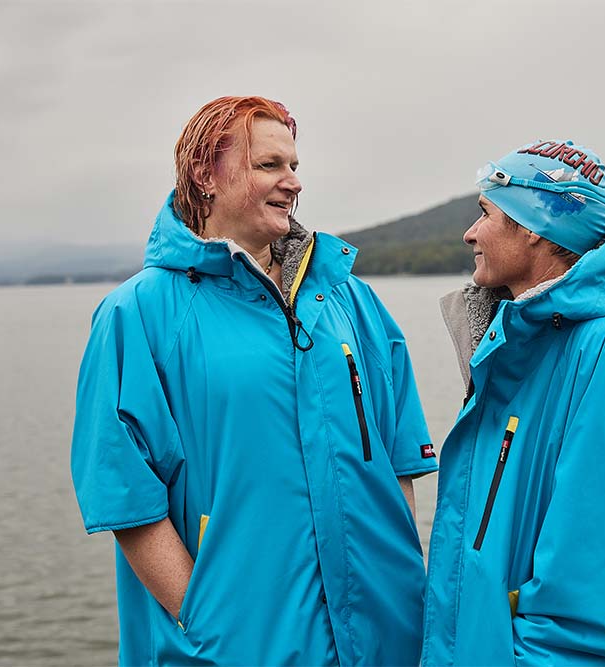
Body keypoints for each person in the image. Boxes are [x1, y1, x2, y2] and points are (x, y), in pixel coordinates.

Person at [70, 96, 438, 666]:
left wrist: (402, 591)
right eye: (270, 165)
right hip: (238, 647)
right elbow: (125, 497)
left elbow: (397, 465)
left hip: (386, 640)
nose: (293, 183)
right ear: (205, 175)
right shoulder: (138, 315)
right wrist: (208, 623)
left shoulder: (353, 301)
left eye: (294, 166)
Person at [421, 140, 605, 665]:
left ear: (533, 226)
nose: (469, 233)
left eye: (485, 213)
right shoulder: (521, 343)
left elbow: (597, 583)